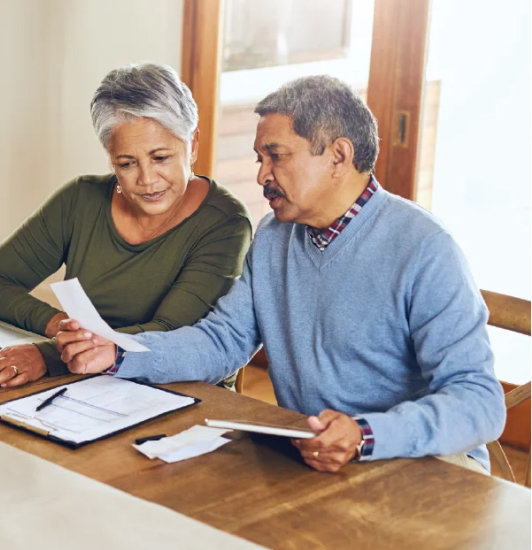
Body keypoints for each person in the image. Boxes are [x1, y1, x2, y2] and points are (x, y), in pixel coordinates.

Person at [56, 75, 506, 474]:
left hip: (425, 468)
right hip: (315, 459)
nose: (261, 176)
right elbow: (222, 341)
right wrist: (117, 353)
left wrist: (366, 434)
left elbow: (479, 405)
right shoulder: (274, 236)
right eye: (259, 159)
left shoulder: (425, 248)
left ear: (338, 155)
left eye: (276, 156)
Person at [0, 62, 252, 391]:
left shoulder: (225, 223)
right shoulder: (81, 199)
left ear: (193, 145)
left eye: (161, 158)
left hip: (180, 394)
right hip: (88, 384)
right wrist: (62, 328)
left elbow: (171, 334)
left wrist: (47, 355)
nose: (147, 180)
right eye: (127, 163)